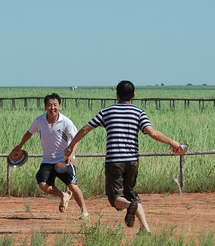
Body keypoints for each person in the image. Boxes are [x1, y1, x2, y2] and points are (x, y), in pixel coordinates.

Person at [63, 80, 184, 233]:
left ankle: (128, 206)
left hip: (114, 160)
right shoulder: (139, 112)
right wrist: (172, 142)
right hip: (132, 161)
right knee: (131, 193)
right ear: (133, 95)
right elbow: (152, 132)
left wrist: (70, 146)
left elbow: (85, 129)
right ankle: (145, 229)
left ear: (117, 95)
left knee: (115, 197)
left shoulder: (107, 111)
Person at [11, 93, 89, 220]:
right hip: (47, 160)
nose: (52, 108)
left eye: (55, 105)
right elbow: (29, 133)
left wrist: (72, 154)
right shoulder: (39, 121)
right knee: (42, 185)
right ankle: (63, 195)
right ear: (45, 107)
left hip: (64, 159)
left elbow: (76, 139)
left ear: (60, 106)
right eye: (49, 105)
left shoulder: (65, 122)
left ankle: (84, 212)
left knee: (72, 186)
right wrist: (19, 146)